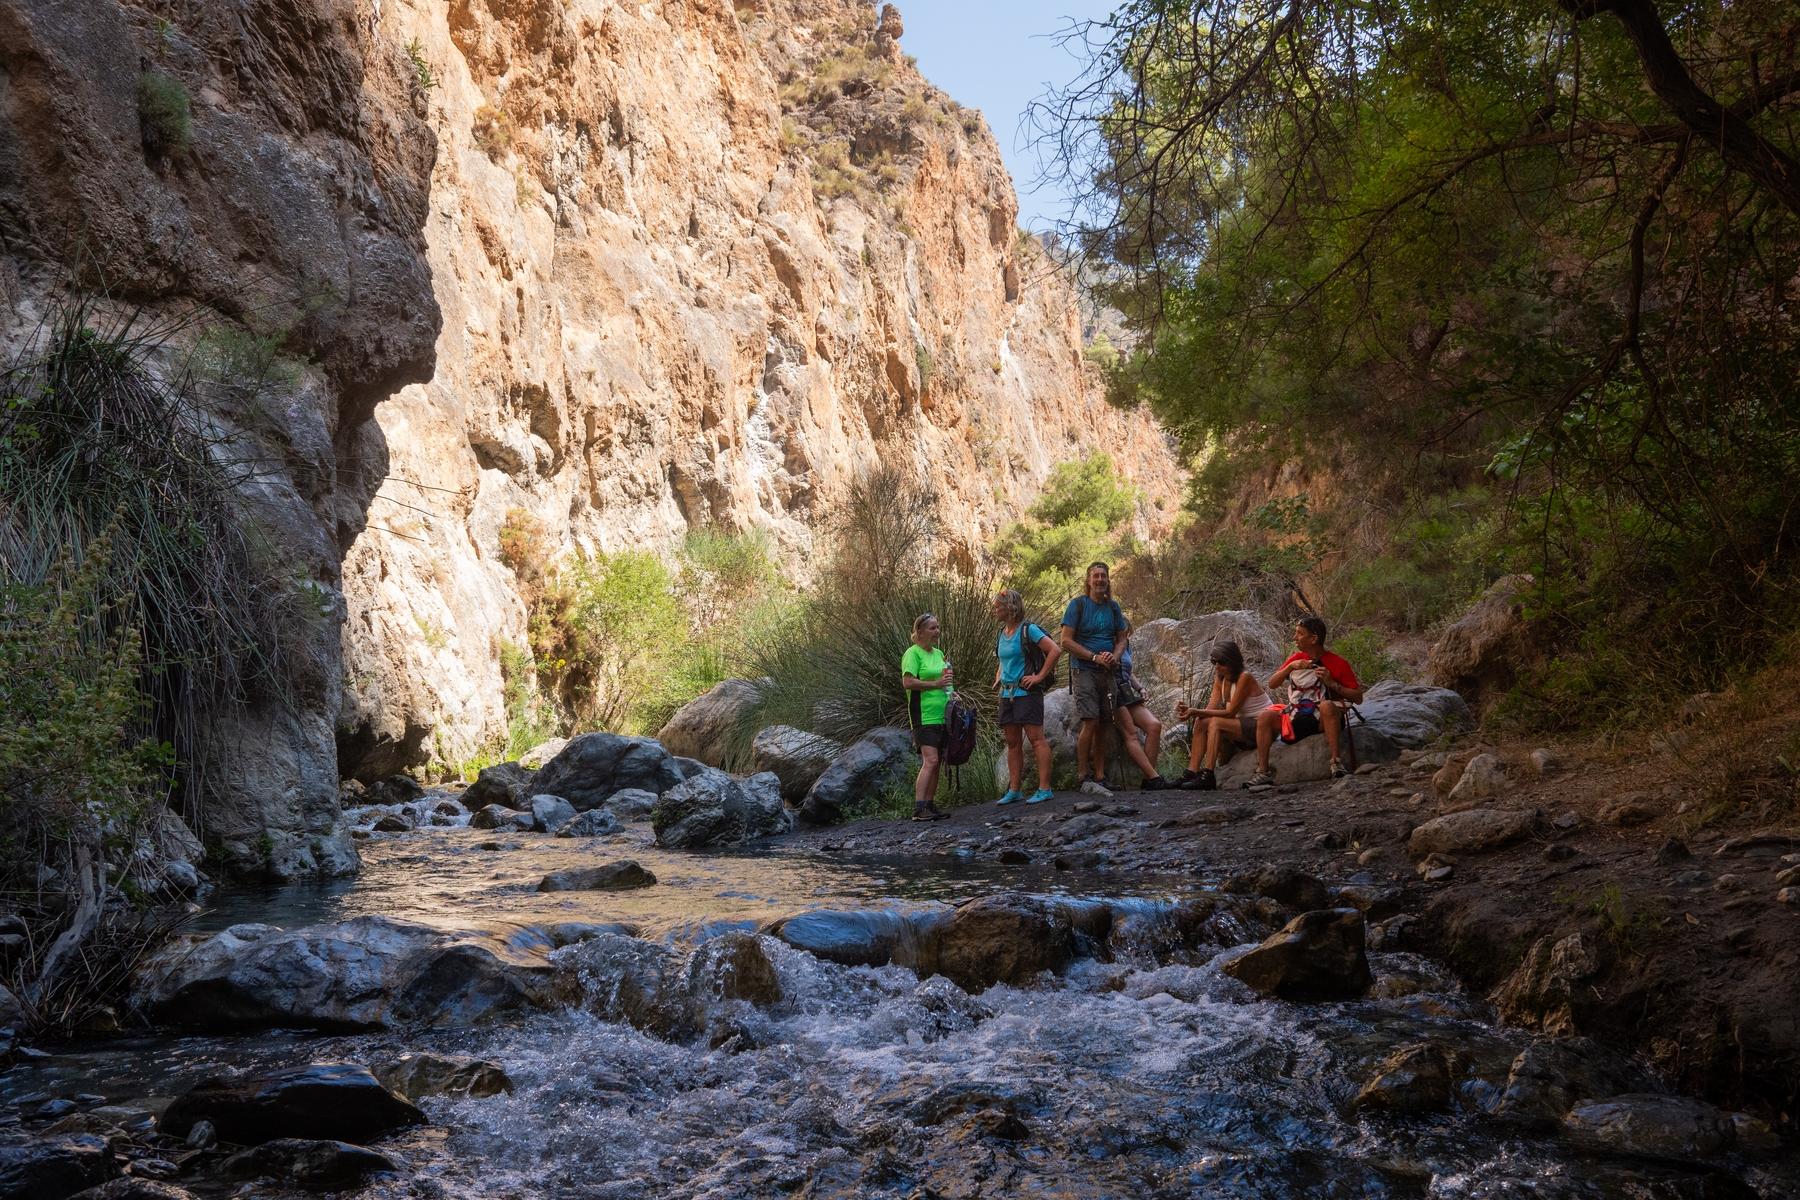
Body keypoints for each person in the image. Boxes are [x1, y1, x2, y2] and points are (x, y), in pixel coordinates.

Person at [1059, 562, 1170, 795]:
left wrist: (1114, 657)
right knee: (1091, 721)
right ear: (1088, 580)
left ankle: (1100, 775)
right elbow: (1065, 641)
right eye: (1096, 576)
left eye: (1104, 576)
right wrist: (1094, 656)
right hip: (1084, 670)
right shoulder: (1078, 606)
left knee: (1105, 725)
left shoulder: (1113, 608)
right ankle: (1083, 774)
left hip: (1108, 671)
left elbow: (1122, 639)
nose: (1100, 580)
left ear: (1108, 580)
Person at [1247, 616, 1364, 786]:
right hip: (1297, 716)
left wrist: (1332, 684)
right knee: (1265, 717)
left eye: (1300, 634)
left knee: (1327, 705)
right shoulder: (1296, 659)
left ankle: (1335, 762)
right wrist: (1290, 667)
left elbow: (1358, 698)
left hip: (1323, 721)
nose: (1295, 638)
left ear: (1314, 638)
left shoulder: (1338, 663)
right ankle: (1264, 771)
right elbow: (1272, 684)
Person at [991, 589, 1061, 805]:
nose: (994, 611)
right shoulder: (1002, 633)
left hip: (1027, 693)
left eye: (997, 607)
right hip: (1007, 694)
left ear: (1010, 608)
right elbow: (1003, 661)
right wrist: (998, 678)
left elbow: (1055, 650)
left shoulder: (1028, 630)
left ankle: (1044, 788)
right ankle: (1014, 791)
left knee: (1036, 739)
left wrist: (1039, 677)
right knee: (1012, 743)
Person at [1173, 640, 1270, 790]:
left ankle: (1208, 775)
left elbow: (1230, 713)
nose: (1217, 666)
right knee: (1201, 722)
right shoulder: (1220, 678)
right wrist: (1190, 711)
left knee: (1216, 723)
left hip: (1260, 727)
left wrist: (1196, 710)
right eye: (1214, 661)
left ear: (1232, 661)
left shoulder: (1245, 677)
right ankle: (1191, 772)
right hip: (1241, 725)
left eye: (1222, 662)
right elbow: (1210, 708)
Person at [901, 612, 953, 820]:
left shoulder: (939, 653)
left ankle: (929, 805)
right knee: (930, 760)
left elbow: (945, 680)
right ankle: (918, 808)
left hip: (942, 714)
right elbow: (908, 682)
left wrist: (951, 692)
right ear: (920, 632)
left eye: (938, 627)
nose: (937, 632)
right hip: (923, 715)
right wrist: (935, 685)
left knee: (937, 761)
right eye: (932, 628)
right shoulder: (912, 654)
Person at [1110, 642, 1164, 785]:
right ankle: (1154, 778)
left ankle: (1149, 779)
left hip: (1126, 691)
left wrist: (1140, 688)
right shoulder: (1103, 641)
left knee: (1154, 726)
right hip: (1111, 691)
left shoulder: (1125, 644)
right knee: (1131, 733)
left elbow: (1128, 672)